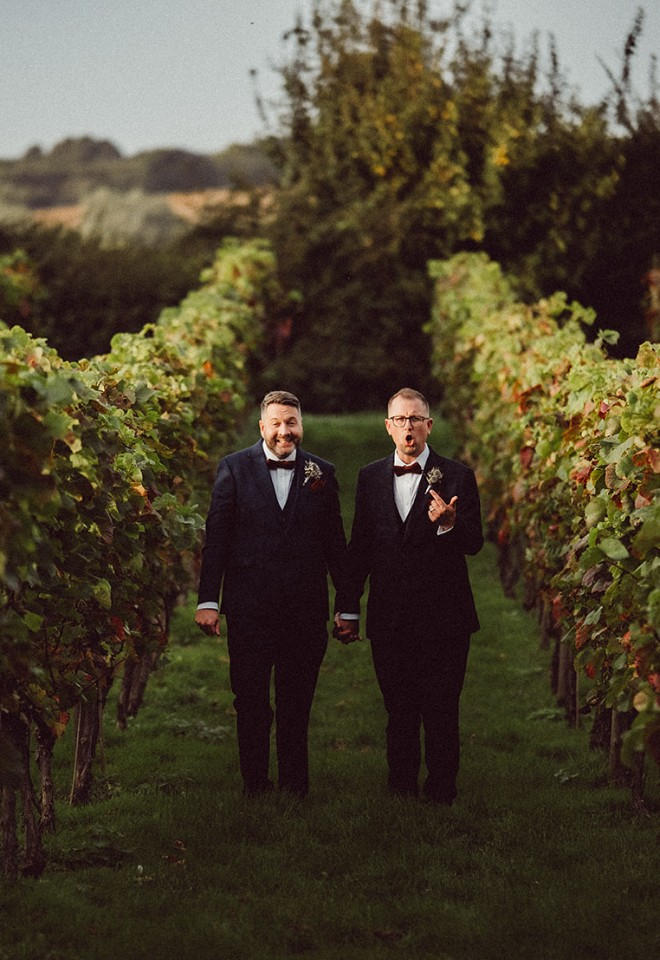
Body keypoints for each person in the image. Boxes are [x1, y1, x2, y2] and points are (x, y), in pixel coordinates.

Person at [195, 390, 348, 798]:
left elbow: (335, 544)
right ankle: (255, 786)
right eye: (277, 423)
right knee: (251, 701)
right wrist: (209, 601)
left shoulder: (322, 473)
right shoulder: (233, 469)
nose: (285, 431)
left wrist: (347, 606)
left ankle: (296, 786)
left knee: (297, 703)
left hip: (305, 608)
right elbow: (218, 541)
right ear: (262, 426)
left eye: (292, 423)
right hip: (250, 609)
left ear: (302, 425)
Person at [335, 387, 483, 805]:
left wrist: (450, 524)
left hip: (445, 618)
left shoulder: (457, 476)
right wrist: (348, 606)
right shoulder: (369, 477)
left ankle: (441, 790)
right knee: (398, 709)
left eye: (416, 419)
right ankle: (400, 787)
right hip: (390, 616)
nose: (408, 427)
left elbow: (475, 544)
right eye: (400, 420)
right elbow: (360, 547)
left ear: (429, 426)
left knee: (441, 708)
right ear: (388, 427)